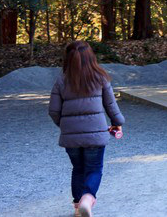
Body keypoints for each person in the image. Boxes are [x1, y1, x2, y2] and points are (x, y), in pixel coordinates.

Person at [49, 40, 125, 217]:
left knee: (78, 169)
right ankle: (87, 199)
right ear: (91, 57)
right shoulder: (100, 78)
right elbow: (111, 106)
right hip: (95, 136)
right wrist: (118, 122)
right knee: (94, 168)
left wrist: (65, 125)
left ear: (67, 59)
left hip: (71, 137)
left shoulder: (61, 81)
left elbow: (53, 111)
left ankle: (77, 207)